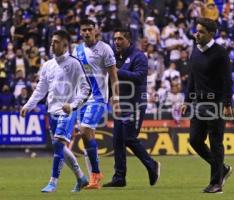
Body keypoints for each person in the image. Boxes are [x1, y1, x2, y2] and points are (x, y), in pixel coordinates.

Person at [20, 30, 90, 192]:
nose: (52, 44)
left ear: (65, 45)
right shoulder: (47, 65)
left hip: (67, 112)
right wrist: (28, 105)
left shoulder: (74, 63)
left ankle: (53, 182)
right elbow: (40, 89)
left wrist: (73, 105)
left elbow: (85, 88)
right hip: (52, 112)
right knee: (60, 148)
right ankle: (81, 178)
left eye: (56, 42)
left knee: (59, 144)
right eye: (52, 41)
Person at [181, 18, 233, 194]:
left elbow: (227, 80)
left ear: (211, 34)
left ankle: (216, 183)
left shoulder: (220, 53)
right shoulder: (195, 51)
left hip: (216, 103)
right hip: (198, 103)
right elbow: (192, 78)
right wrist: (187, 101)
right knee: (195, 140)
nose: (197, 34)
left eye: (201, 31)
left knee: (215, 142)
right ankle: (222, 169)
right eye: (197, 31)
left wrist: (227, 103)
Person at [103, 28, 160, 187]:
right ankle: (119, 178)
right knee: (117, 140)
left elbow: (140, 77)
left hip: (135, 103)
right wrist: (109, 98)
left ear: (128, 40)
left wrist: (117, 72)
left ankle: (152, 164)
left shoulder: (139, 56)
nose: (116, 42)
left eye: (120, 39)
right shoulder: (114, 58)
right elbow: (110, 81)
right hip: (120, 104)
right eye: (115, 39)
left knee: (128, 138)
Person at [72, 19, 120, 189]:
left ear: (95, 30)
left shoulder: (104, 49)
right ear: (80, 32)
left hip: (99, 98)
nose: (86, 32)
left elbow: (113, 75)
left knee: (85, 131)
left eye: (89, 29)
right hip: (82, 98)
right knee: (87, 137)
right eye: (83, 30)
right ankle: (95, 176)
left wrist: (116, 98)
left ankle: (96, 173)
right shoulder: (76, 50)